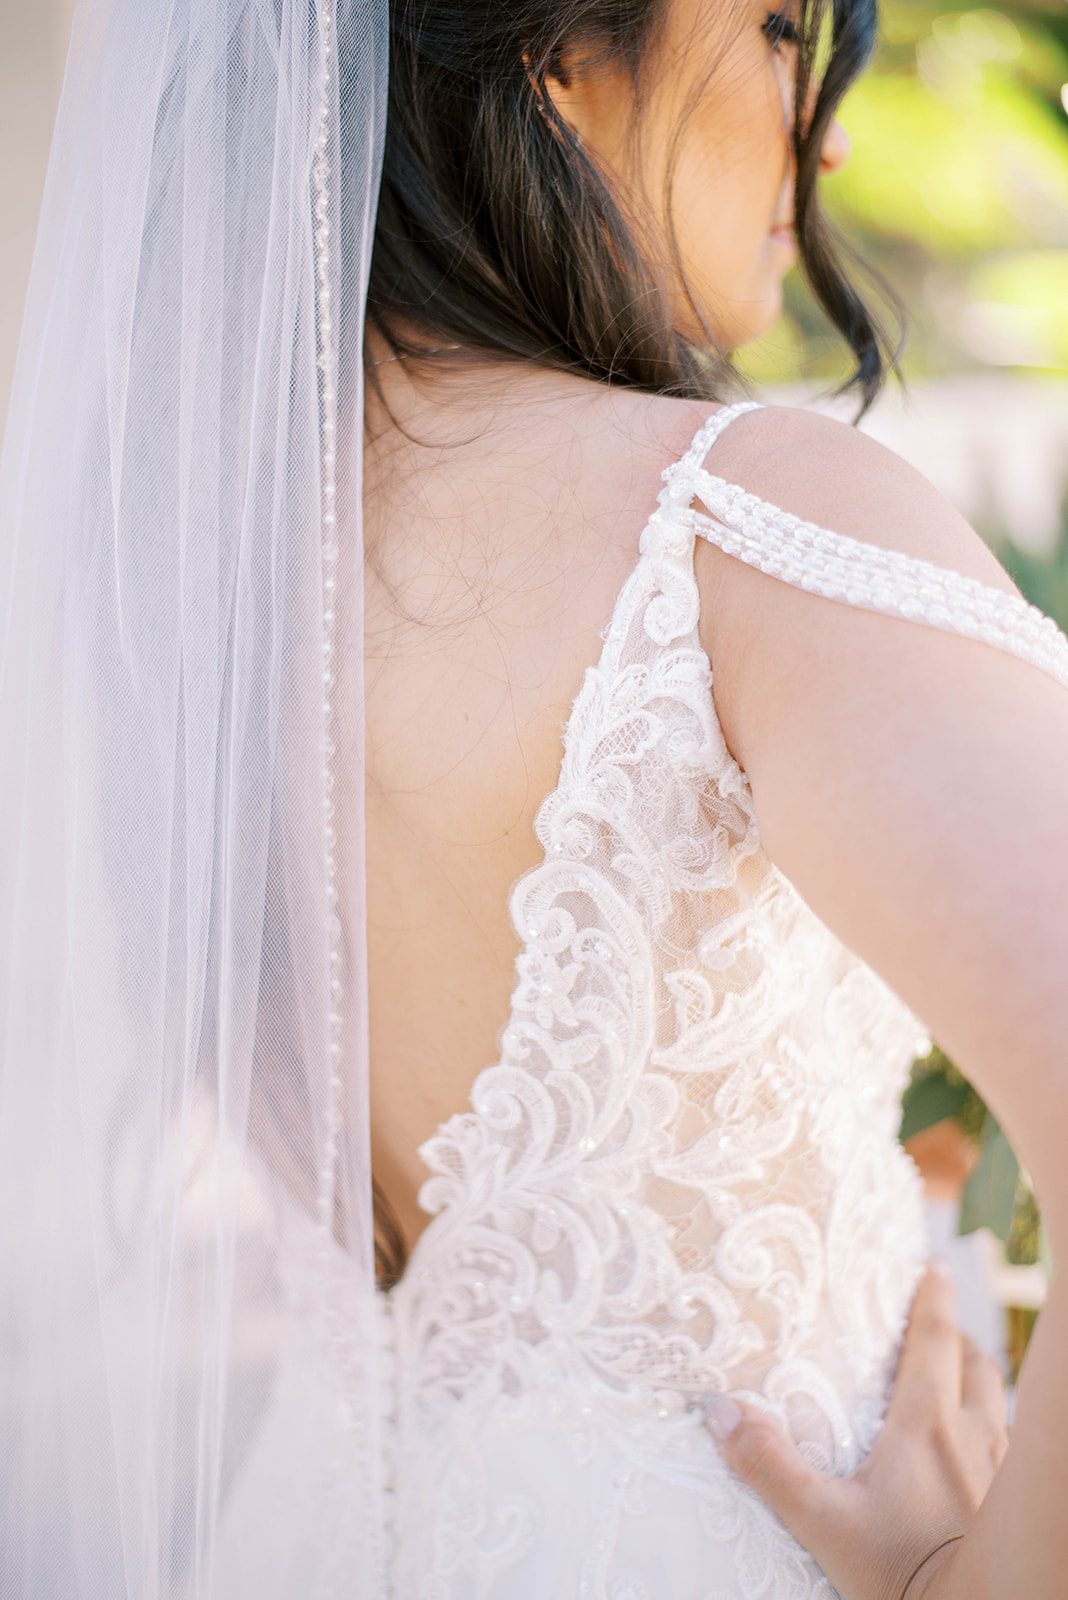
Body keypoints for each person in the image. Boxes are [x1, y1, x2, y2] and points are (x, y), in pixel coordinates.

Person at [2, 1, 1066, 1597]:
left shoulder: (178, 626)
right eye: (779, 30)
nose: (826, 129)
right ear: (561, 57)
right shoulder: (737, 523)